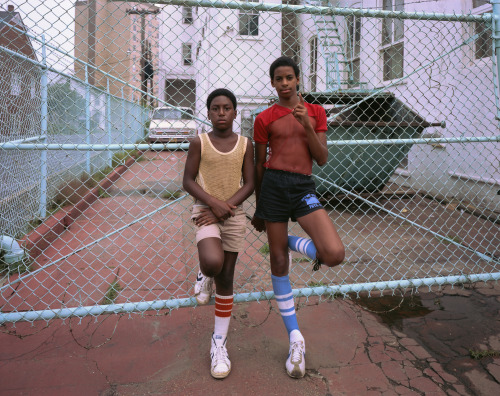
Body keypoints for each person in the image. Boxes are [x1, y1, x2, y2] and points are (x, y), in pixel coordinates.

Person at [251, 56, 345, 379]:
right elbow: (259, 165)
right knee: (277, 261)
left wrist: (306, 123)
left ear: (299, 79)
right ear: (273, 83)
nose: (285, 83)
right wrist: (259, 207)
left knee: (334, 253)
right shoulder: (264, 118)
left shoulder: (316, 112)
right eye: (279, 79)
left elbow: (321, 159)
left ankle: (288, 242)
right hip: (274, 187)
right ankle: (295, 337)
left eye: (290, 77)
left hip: (303, 186)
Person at [183, 88, 254, 379]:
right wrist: (212, 204)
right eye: (215, 108)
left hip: (233, 214)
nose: (221, 113)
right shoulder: (199, 142)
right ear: (209, 112)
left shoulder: (245, 144)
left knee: (227, 277)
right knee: (213, 263)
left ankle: (218, 344)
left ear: (235, 112)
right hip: (205, 211)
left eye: (227, 108)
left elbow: (249, 183)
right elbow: (187, 180)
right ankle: (203, 274)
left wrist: (226, 207)